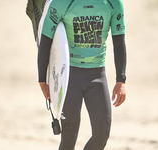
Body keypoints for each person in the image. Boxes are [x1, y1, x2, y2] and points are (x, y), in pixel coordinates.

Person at [38, 0, 126, 149]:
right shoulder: (60, 4)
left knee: (102, 133)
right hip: (69, 76)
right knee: (69, 135)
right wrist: (43, 80)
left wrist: (121, 80)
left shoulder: (113, 3)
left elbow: (119, 43)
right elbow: (46, 42)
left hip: (97, 75)